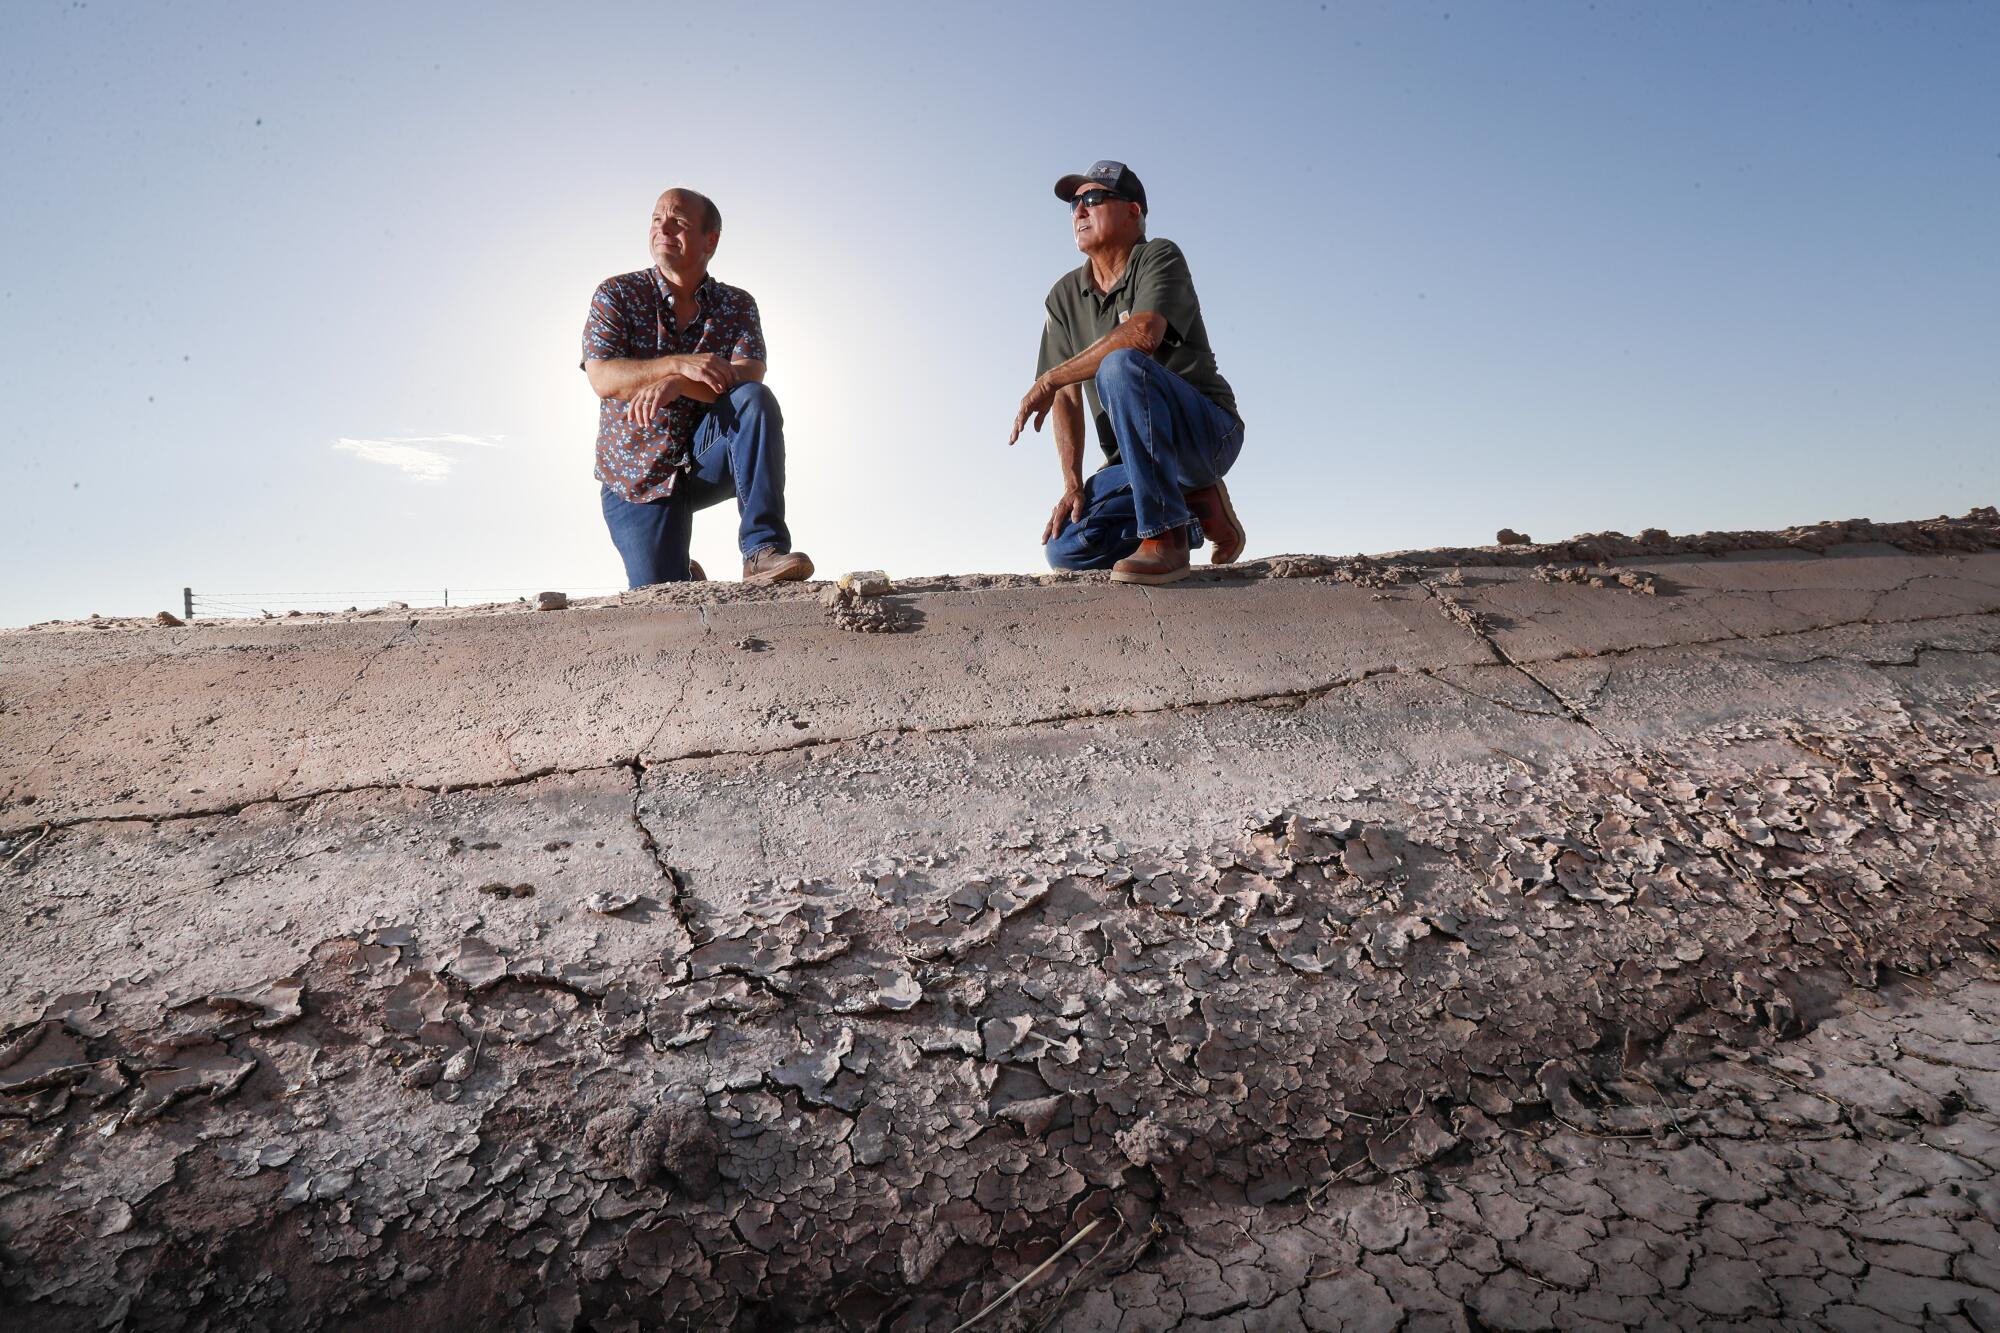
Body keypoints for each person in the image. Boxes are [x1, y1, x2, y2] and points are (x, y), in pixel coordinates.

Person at [1009, 161, 1245, 586]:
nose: (1079, 211)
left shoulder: (1159, 255)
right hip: (1133, 461)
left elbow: (1142, 334)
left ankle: (1167, 538)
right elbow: (1065, 395)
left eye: (1093, 199)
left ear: (1133, 211)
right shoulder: (1063, 296)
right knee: (1065, 547)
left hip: (1206, 435)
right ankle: (1193, 513)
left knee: (1119, 365)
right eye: (1074, 205)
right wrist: (1073, 485)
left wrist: (1049, 378)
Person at [582, 188, 813, 587]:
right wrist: (674, 364)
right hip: (638, 477)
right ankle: (682, 570)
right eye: (657, 220)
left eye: (679, 222)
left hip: (708, 457)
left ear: (711, 240)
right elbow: (603, 378)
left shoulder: (737, 305)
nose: (663, 229)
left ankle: (761, 551)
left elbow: (748, 376)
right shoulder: (616, 293)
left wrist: (677, 384)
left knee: (754, 401)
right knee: (662, 595)